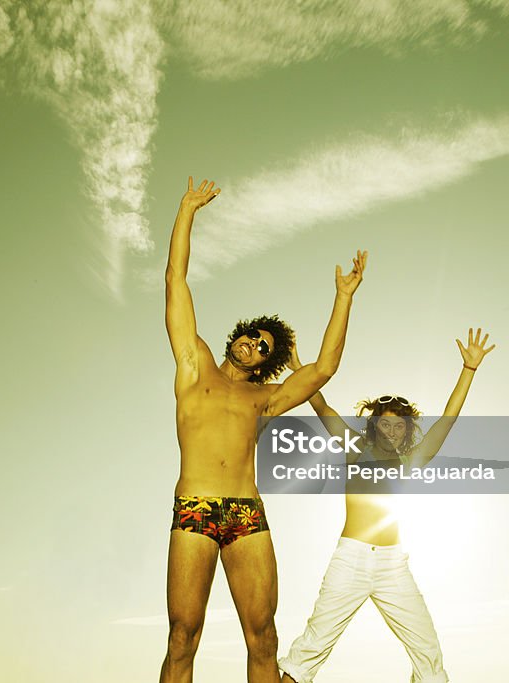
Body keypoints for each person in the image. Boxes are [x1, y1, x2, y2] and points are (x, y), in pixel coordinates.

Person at [161, 175, 368, 683]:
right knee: (183, 635)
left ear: (266, 363)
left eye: (264, 347)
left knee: (265, 638)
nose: (255, 343)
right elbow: (175, 280)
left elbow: (323, 368)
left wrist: (343, 297)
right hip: (195, 508)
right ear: (238, 337)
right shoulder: (195, 364)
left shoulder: (264, 399)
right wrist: (187, 210)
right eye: (252, 335)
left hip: (247, 514)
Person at [279, 328, 496, 683]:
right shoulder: (355, 450)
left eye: (399, 424)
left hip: (393, 565)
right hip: (350, 560)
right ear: (374, 426)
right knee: (309, 651)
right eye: (385, 422)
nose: (392, 429)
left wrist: (468, 370)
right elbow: (322, 406)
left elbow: (447, 421)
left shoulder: (411, 460)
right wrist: (300, 368)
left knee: (428, 657)